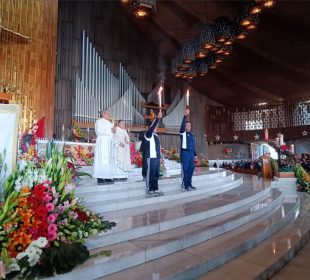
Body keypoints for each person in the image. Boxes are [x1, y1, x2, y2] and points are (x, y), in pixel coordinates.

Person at [144, 111, 163, 196]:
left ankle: (155, 188)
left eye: (157, 127)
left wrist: (160, 157)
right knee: (150, 174)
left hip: (157, 157)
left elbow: (158, 148)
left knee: (156, 174)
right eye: (155, 127)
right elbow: (151, 128)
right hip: (151, 157)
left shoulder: (156, 136)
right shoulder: (148, 134)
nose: (156, 128)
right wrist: (157, 119)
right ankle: (149, 189)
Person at [93, 110, 115, 185]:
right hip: (102, 142)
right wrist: (110, 131)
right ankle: (100, 177)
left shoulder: (110, 123)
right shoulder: (99, 122)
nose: (109, 114)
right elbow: (98, 131)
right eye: (107, 113)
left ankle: (107, 176)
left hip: (109, 143)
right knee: (101, 160)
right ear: (103, 114)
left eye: (109, 113)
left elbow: (112, 134)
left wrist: (113, 132)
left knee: (108, 160)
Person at [180, 108, 197, 190]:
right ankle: (184, 184)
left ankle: (189, 183)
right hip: (185, 153)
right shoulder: (182, 133)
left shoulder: (191, 135)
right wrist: (185, 115)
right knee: (185, 169)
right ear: (185, 126)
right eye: (187, 125)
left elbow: (193, 145)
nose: (189, 126)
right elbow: (182, 125)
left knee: (191, 169)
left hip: (191, 154)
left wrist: (195, 154)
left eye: (190, 125)